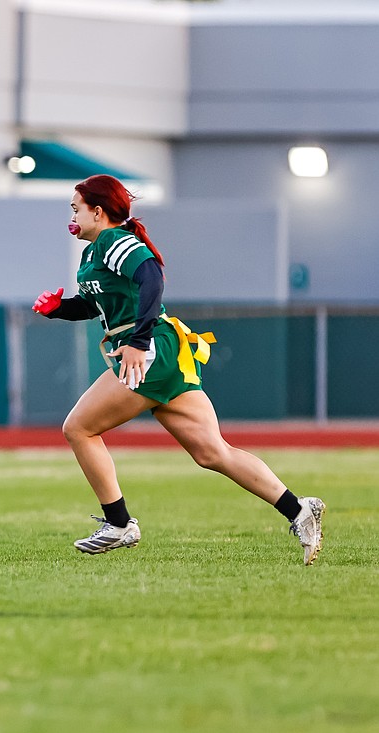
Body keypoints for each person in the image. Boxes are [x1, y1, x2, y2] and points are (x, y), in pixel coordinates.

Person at [32, 174, 325, 565]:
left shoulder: (113, 240)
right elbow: (95, 306)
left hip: (151, 349)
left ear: (98, 211)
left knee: (78, 428)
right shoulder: (93, 253)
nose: (72, 216)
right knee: (212, 452)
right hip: (163, 351)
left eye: (76, 208)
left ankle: (119, 523)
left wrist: (139, 343)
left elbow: (151, 276)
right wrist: (59, 309)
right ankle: (298, 509)